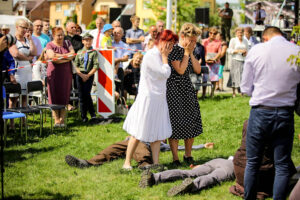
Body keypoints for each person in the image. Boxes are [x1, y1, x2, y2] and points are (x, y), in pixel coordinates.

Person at [240, 26, 300, 200]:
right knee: (281, 164)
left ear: (265, 37)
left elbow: (245, 88)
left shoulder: (256, 50)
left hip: (261, 111)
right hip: (285, 112)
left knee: (253, 162)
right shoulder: (296, 51)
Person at [122, 30, 178, 170]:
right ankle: (127, 162)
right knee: (138, 131)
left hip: (159, 98)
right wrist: (165, 58)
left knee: (157, 132)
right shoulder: (151, 56)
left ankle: (156, 162)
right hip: (148, 98)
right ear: (162, 42)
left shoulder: (160, 56)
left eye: (172, 45)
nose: (171, 48)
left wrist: (165, 57)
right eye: (170, 44)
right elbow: (165, 73)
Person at [167, 23, 202, 166]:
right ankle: (175, 158)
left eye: (195, 41)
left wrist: (191, 53)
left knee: (191, 121)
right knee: (175, 123)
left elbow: (198, 70)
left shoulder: (191, 51)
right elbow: (180, 70)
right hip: (174, 90)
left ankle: (188, 155)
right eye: (191, 40)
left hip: (187, 89)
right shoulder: (174, 50)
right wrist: (187, 53)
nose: (193, 43)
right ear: (183, 37)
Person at [64, 136, 214, 169]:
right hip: (130, 140)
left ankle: (145, 165)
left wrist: (202, 146)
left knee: (140, 145)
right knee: (113, 148)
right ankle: (88, 162)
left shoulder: (161, 145)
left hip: (141, 145)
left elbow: (180, 148)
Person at [139, 157, 234, 197]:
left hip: (219, 160)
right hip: (233, 166)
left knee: (187, 173)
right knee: (213, 177)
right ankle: (192, 186)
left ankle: (154, 177)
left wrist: (199, 166)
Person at [45, 27, 75, 127]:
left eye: (62, 34)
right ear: (53, 35)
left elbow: (73, 54)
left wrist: (59, 57)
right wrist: (67, 57)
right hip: (54, 73)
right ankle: (56, 120)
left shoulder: (67, 43)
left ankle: (62, 120)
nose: (61, 37)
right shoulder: (49, 45)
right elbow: (52, 57)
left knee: (64, 95)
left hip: (66, 73)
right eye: (58, 35)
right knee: (53, 95)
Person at [9, 19, 37, 110]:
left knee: (25, 98)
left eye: (27, 28)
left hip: (27, 72)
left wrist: (30, 39)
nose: (25, 30)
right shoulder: (12, 39)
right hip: (17, 72)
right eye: (23, 27)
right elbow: (16, 54)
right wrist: (28, 59)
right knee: (14, 99)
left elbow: (34, 52)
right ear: (17, 27)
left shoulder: (27, 40)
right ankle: (11, 123)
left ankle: (23, 121)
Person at [74, 32, 99, 123]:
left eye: (90, 40)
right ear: (83, 41)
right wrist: (81, 75)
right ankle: (83, 116)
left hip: (89, 75)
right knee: (81, 96)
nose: (88, 42)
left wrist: (88, 75)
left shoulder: (94, 52)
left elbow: (96, 66)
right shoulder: (79, 52)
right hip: (80, 75)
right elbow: (75, 65)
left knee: (87, 94)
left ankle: (92, 114)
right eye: (86, 40)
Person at [227, 27, 248, 97]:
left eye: (241, 32)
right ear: (236, 33)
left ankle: (242, 93)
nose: (240, 34)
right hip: (235, 59)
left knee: (242, 77)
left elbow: (247, 49)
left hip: (243, 60)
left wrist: (245, 53)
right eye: (238, 32)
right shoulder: (233, 40)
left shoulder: (245, 40)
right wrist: (238, 51)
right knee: (234, 76)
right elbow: (229, 50)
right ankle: (233, 93)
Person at [202, 27, 222, 97]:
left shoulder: (219, 42)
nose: (212, 34)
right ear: (209, 33)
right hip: (206, 61)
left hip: (215, 62)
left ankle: (212, 93)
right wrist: (205, 59)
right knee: (204, 78)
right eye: (211, 33)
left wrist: (214, 59)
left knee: (214, 79)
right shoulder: (204, 41)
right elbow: (202, 51)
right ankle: (203, 94)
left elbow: (220, 53)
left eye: (215, 33)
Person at [112, 27, 130, 97]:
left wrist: (117, 60)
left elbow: (126, 58)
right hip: (108, 68)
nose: (116, 34)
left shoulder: (125, 45)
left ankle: (120, 105)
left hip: (119, 69)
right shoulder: (109, 43)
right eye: (115, 32)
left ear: (122, 35)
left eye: (118, 33)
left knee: (119, 89)